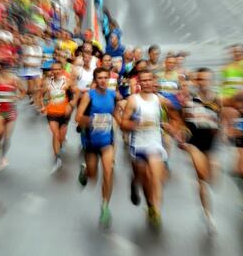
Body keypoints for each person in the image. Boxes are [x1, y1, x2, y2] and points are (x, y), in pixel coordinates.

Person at [121, 70, 182, 230]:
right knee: (144, 181)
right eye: (144, 80)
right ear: (139, 82)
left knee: (156, 178)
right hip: (138, 146)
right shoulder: (133, 101)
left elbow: (176, 115)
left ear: (153, 81)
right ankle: (147, 202)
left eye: (149, 80)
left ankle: (156, 210)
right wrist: (135, 124)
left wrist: (173, 128)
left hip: (155, 144)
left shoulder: (160, 100)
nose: (147, 83)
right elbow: (123, 124)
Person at [177, 68, 221, 235]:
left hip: (212, 144)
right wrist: (183, 137)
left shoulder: (217, 99)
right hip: (195, 143)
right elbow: (183, 123)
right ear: (197, 81)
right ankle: (208, 216)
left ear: (212, 81)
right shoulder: (189, 100)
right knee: (202, 178)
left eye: (207, 79)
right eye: (200, 79)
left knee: (212, 180)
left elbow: (220, 120)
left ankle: (206, 210)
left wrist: (222, 133)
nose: (203, 82)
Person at [76, 67, 121, 228]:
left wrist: (124, 123)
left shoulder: (112, 95)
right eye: (99, 78)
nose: (103, 80)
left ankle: (105, 207)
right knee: (93, 176)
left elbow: (115, 113)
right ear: (95, 80)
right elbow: (78, 117)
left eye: (105, 77)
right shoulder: (89, 96)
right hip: (91, 142)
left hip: (107, 141)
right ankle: (85, 170)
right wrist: (92, 120)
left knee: (108, 172)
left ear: (109, 79)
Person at [40, 62, 79, 173]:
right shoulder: (47, 83)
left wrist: (71, 105)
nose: (56, 71)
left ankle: (60, 145)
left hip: (64, 113)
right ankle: (57, 158)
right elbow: (41, 95)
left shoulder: (67, 82)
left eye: (58, 69)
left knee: (61, 137)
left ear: (62, 70)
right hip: (52, 113)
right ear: (51, 71)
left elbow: (77, 93)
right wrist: (43, 106)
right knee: (55, 134)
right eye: (54, 69)